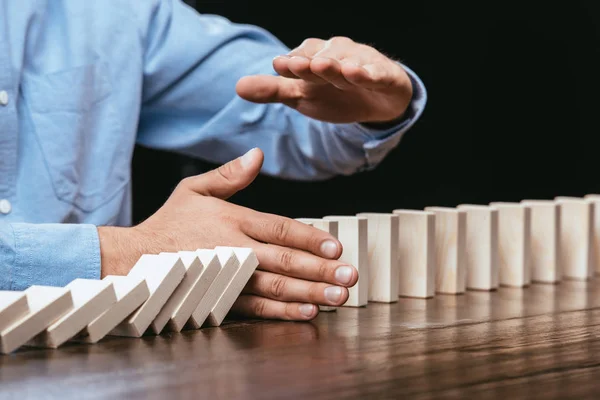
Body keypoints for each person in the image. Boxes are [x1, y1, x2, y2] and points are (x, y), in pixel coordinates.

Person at [0, 0, 426, 321]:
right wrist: (123, 253)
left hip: (98, 364)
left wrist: (367, 105)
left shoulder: (117, 11)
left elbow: (285, 109)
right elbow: (127, 254)